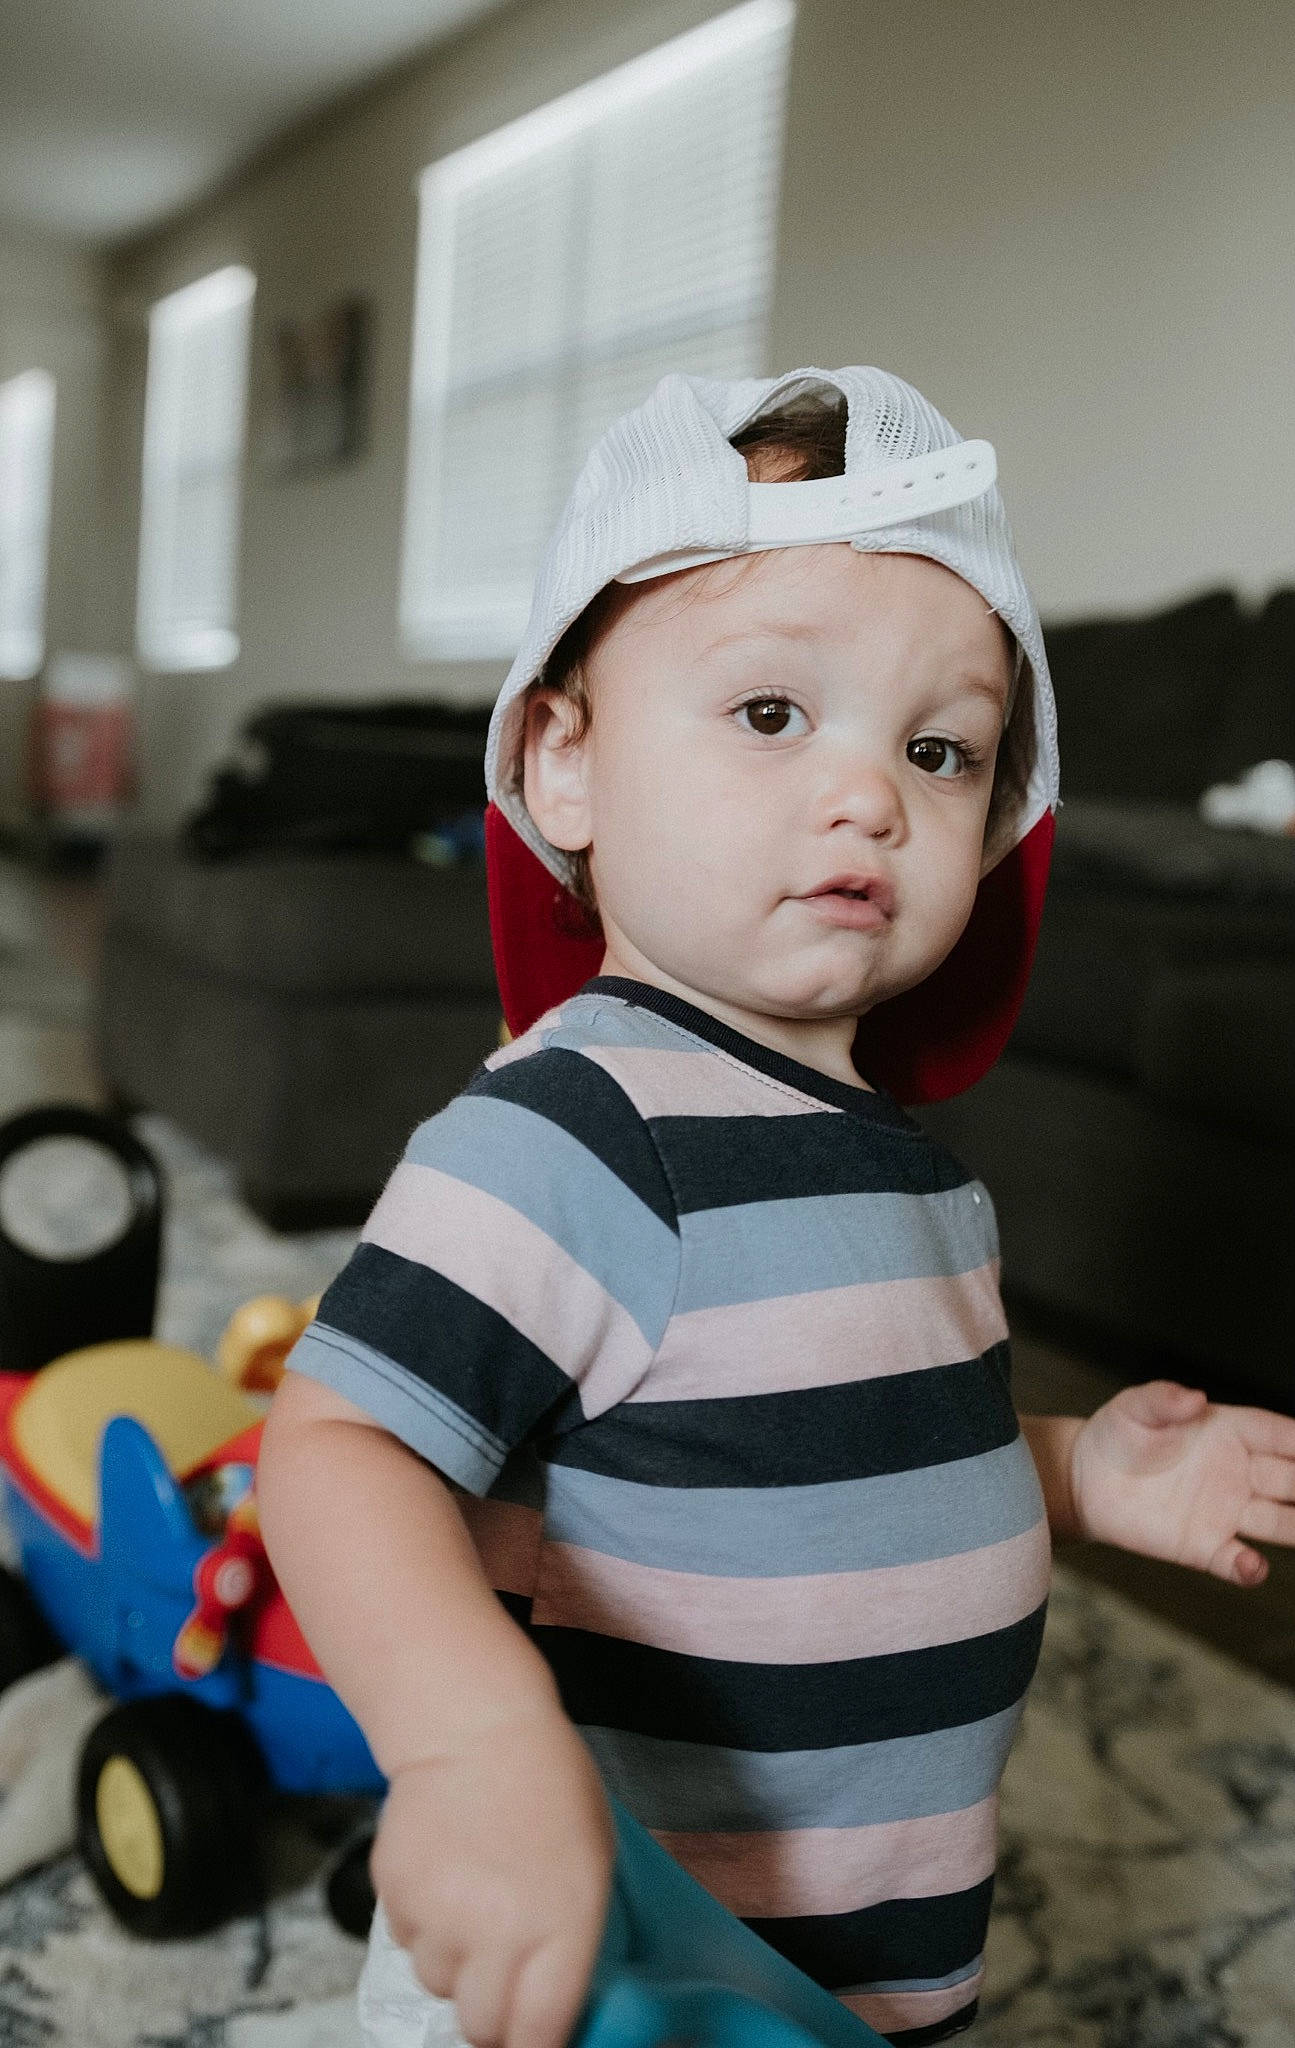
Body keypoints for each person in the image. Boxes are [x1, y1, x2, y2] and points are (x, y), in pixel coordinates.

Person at [257, 367, 1295, 2048]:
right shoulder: (575, 1125)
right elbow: (339, 1446)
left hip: (875, 1963)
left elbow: (858, 1453)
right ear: (565, 766)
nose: (871, 794)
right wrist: (467, 1746)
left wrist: (1084, 1470)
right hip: (619, 1954)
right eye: (770, 715)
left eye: (940, 749)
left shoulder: (919, 1166)